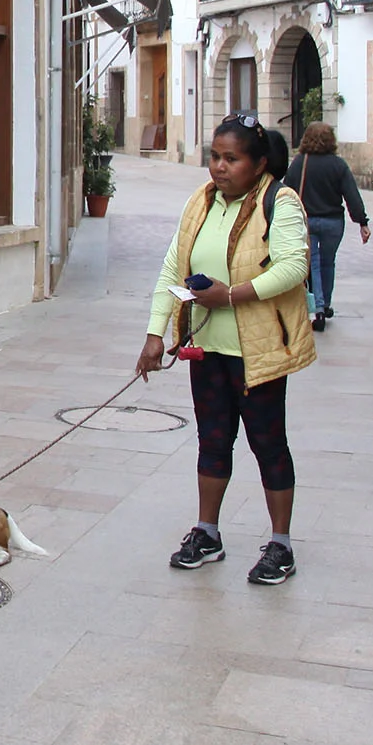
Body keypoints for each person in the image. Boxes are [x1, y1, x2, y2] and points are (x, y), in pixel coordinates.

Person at [135, 113, 315, 584]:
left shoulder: (281, 202)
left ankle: (281, 544)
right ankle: (207, 532)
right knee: (213, 441)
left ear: (258, 164)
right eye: (215, 157)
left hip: (258, 352)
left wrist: (231, 295)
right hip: (209, 349)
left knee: (268, 444)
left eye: (231, 159)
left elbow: (294, 266)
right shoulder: (201, 202)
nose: (219, 167)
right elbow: (173, 266)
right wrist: (156, 334)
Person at [291, 122, 370, 332]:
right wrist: (361, 221)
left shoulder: (300, 162)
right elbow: (351, 195)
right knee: (328, 262)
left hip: (307, 221)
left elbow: (287, 192)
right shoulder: (338, 165)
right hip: (333, 222)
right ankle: (324, 304)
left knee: (312, 264)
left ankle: (316, 307)